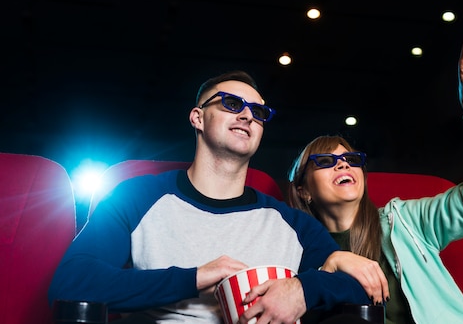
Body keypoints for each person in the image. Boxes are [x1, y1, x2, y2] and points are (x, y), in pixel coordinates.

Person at [48, 70, 374, 324]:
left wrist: (303, 290)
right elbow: (72, 282)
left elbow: (365, 291)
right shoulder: (136, 196)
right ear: (198, 117)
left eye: (258, 112)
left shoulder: (292, 223)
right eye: (232, 104)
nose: (248, 116)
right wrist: (194, 278)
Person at [286, 28, 463, 324]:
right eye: (327, 161)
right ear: (303, 189)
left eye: (351, 159)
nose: (344, 165)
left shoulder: (406, 222)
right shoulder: (296, 251)